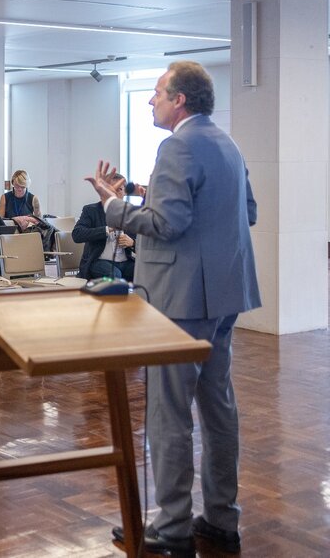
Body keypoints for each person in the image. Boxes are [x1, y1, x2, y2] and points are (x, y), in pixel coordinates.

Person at [87, 61, 259, 557]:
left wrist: (113, 205)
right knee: (218, 406)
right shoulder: (227, 143)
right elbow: (244, 211)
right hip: (225, 296)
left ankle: (173, 525)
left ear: (180, 99)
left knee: (168, 414)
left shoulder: (176, 145)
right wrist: (139, 191)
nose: (150, 101)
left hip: (181, 300)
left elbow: (168, 223)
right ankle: (223, 518)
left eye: (157, 93)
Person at [72, 173, 135, 280]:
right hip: (99, 262)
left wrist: (132, 242)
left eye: (119, 189)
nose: (115, 193)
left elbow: (143, 242)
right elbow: (77, 235)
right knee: (115, 275)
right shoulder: (91, 210)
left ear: (124, 192)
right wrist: (107, 229)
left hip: (125, 262)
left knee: (147, 273)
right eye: (112, 189)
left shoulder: (129, 213)